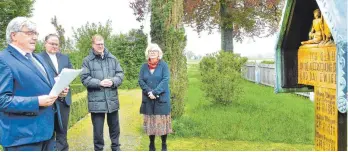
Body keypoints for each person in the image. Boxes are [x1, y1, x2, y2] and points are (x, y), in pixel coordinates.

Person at [0, 17, 68, 151]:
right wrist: (36, 101)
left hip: (47, 133)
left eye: (36, 33)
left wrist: (59, 91)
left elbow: (45, 86)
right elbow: (2, 100)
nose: (35, 37)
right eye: (29, 33)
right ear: (14, 35)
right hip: (23, 138)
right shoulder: (3, 60)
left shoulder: (37, 58)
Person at [80, 34, 124, 151]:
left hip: (112, 100)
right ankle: (98, 149)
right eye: (98, 44)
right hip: (96, 102)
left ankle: (116, 148)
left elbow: (120, 74)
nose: (100, 46)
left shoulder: (113, 59)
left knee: (115, 127)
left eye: (102, 44)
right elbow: (85, 78)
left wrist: (113, 81)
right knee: (98, 131)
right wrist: (99, 83)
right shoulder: (87, 61)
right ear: (93, 45)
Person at [38, 34, 73, 151]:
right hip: (48, 101)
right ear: (45, 44)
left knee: (63, 132)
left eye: (56, 44)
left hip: (63, 101)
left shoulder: (65, 58)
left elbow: (70, 75)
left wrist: (66, 87)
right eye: (51, 43)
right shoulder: (37, 58)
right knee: (49, 133)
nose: (54, 46)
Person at [138, 43, 172, 151]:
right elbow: (141, 80)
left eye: (154, 51)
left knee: (162, 123)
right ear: (147, 54)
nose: (152, 53)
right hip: (148, 99)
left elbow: (165, 80)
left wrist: (155, 92)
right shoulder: (144, 67)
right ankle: (151, 144)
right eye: (150, 51)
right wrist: (149, 92)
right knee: (151, 123)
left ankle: (164, 144)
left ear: (159, 54)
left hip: (161, 99)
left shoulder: (164, 65)